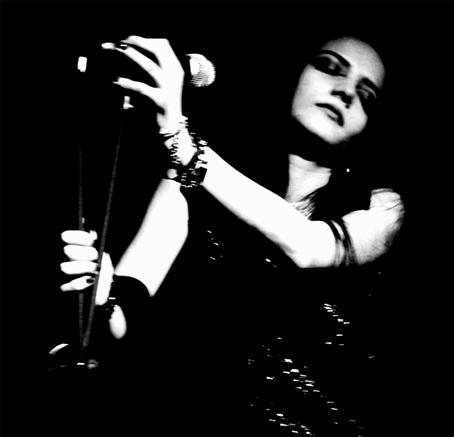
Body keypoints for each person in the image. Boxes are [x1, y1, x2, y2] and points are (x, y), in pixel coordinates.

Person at [57, 34, 404, 435]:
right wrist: (103, 297)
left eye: (366, 95)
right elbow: (127, 312)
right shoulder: (194, 178)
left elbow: (308, 244)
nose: (346, 92)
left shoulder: (385, 207)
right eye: (329, 67)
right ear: (292, 73)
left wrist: (182, 142)